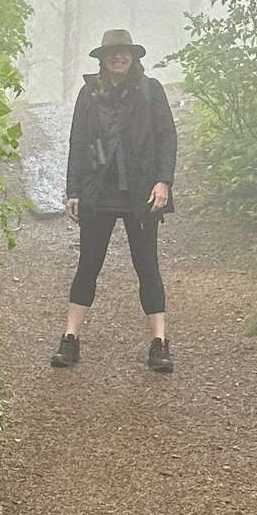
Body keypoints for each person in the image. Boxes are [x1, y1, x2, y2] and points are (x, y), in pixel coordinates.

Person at [51, 28, 177, 373]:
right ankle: (70, 340)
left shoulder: (151, 91)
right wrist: (72, 190)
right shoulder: (89, 93)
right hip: (98, 191)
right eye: (112, 53)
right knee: (88, 265)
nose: (119, 57)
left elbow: (167, 138)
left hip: (141, 192)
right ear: (103, 58)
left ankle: (160, 344)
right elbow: (77, 142)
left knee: (147, 267)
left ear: (134, 56)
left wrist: (164, 181)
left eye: (125, 52)